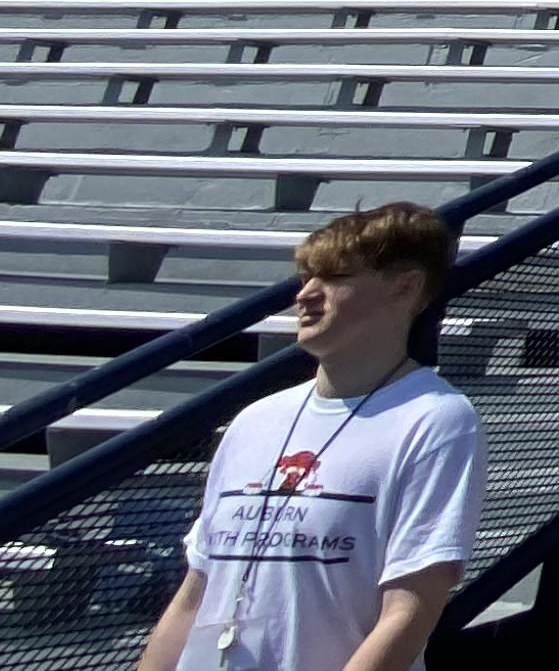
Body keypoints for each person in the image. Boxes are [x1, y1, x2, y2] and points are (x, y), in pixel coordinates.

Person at [137, 203, 487, 671]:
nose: (305, 295)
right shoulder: (255, 420)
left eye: (335, 277)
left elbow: (411, 608)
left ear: (405, 287)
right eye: (305, 278)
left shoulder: (434, 420)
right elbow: (196, 591)